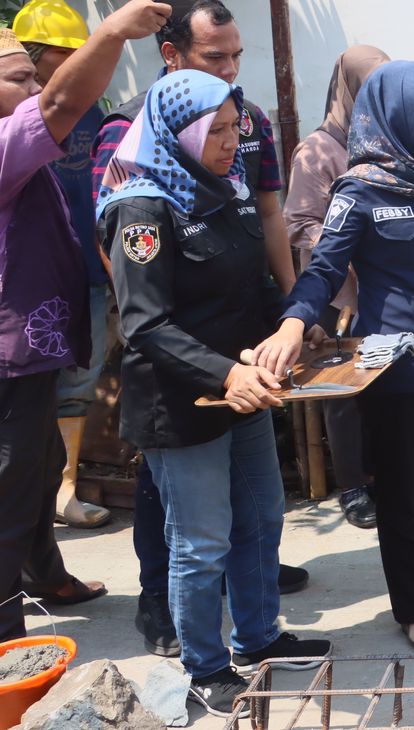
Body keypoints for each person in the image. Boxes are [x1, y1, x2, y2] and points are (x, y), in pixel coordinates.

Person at [254, 61, 414, 656]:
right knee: (398, 492)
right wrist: (296, 321)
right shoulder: (361, 189)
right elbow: (323, 268)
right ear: (398, 116)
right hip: (395, 364)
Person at [98, 70, 331, 715]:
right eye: (218, 131)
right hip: (183, 402)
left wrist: (289, 328)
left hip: (245, 389)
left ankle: (259, 639)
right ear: (180, 131)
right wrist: (228, 373)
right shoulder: (142, 207)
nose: (233, 143)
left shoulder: (223, 189)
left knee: (261, 517)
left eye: (236, 129)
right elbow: (144, 323)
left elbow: (246, 282)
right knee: (200, 542)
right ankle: (204, 665)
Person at [1, 0, 169, 643]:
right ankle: (7, 626)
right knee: (13, 483)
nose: (35, 82)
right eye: (20, 76)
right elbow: (62, 101)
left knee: (39, 466)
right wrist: (115, 30)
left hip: (33, 343)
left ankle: (44, 573)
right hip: (11, 354)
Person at [282, 45, 402, 530]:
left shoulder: (391, 142)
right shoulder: (318, 150)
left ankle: (383, 476)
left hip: (384, 290)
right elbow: (298, 221)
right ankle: (352, 487)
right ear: (350, 86)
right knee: (343, 392)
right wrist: (346, 249)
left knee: (386, 383)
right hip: (338, 293)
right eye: (371, 84)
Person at [12, 0, 112, 529]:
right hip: (25, 287)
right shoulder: (17, 119)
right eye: (63, 51)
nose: (75, 58)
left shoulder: (93, 107)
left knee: (79, 382)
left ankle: (63, 491)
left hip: (85, 269)